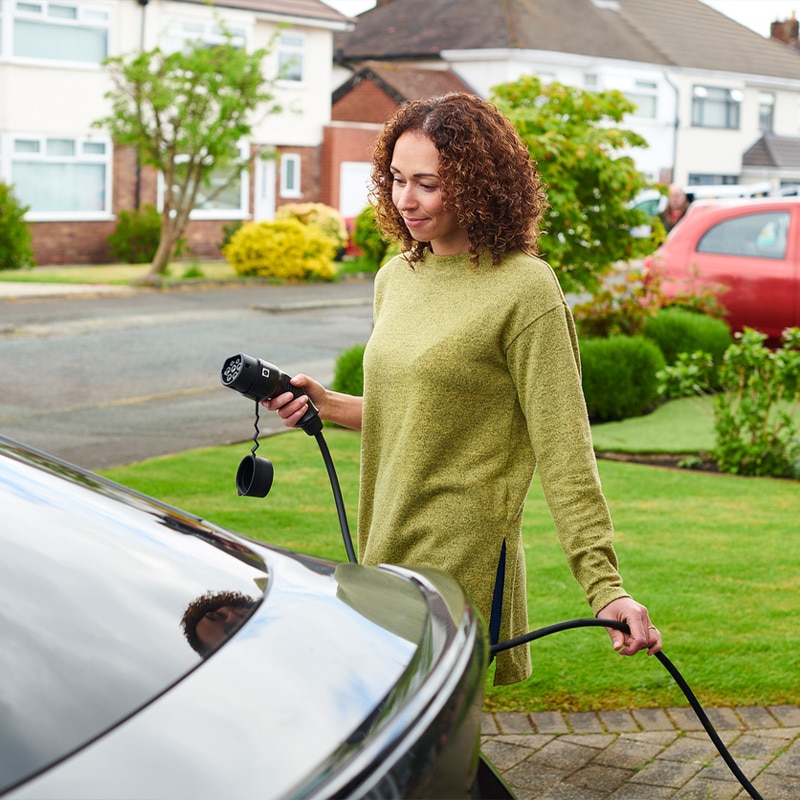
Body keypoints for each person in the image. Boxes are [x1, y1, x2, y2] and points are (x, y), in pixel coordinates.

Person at [265, 92, 662, 685]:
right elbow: (422, 412)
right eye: (396, 179)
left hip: (462, 559)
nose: (405, 200)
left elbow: (564, 447)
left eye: (427, 183)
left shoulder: (525, 289)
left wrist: (604, 588)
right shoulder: (396, 278)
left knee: (429, 744)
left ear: (478, 183)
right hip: (384, 541)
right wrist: (328, 405)